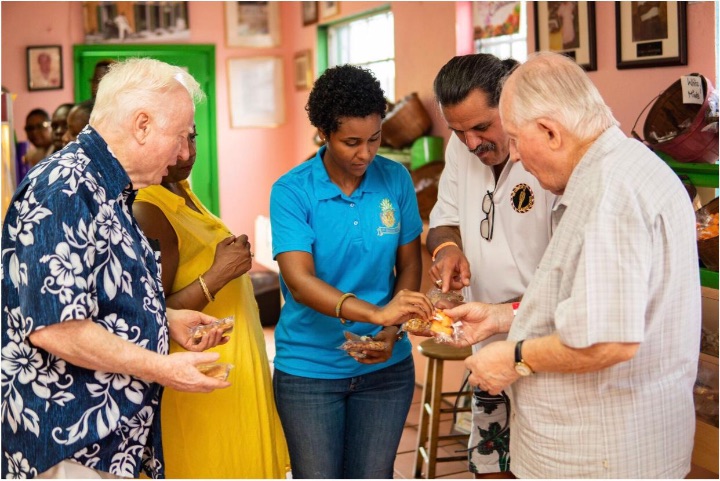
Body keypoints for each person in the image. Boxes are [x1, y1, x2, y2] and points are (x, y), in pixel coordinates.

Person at [446, 51, 701, 478]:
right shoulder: (624, 169)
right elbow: (588, 303)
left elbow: (607, 342)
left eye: (516, 139)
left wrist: (514, 359)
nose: (519, 159)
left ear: (550, 131)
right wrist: (498, 316)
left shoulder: (609, 194)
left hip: (601, 455)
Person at [1, 57, 232, 479]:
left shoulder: (112, 188)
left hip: (104, 439)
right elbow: (56, 327)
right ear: (141, 125)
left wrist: (165, 319)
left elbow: (95, 295)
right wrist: (163, 367)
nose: (185, 152)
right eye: (180, 136)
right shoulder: (64, 188)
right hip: (70, 441)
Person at [269, 64, 435, 479]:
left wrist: (390, 331)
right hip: (311, 372)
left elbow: (410, 262)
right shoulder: (292, 191)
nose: (366, 153)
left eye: (375, 138)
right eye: (351, 142)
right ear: (323, 134)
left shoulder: (395, 179)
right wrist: (377, 314)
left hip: (386, 369)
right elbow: (300, 282)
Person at [132, 125, 290, 478]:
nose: (187, 152)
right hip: (197, 380)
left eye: (192, 137)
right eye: (176, 140)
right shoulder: (149, 210)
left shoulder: (179, 188)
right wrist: (218, 274)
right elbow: (153, 313)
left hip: (232, 366)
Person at [427, 54, 555, 478]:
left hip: (546, 345)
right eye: (458, 131)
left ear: (513, 108)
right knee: (490, 464)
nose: (470, 143)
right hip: (487, 345)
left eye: (482, 127)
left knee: (544, 465)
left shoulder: (549, 157)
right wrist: (447, 250)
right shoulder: (461, 147)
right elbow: (444, 218)